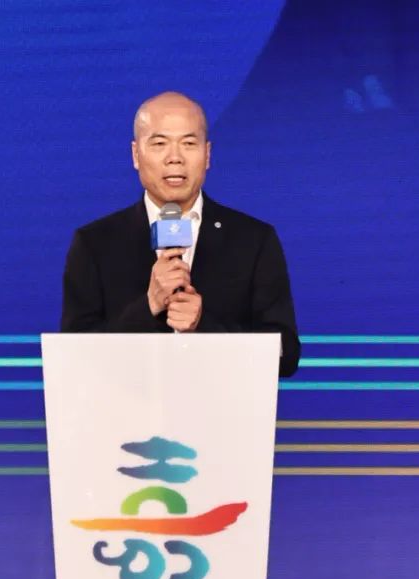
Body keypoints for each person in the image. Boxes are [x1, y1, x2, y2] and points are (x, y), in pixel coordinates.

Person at [60, 91, 300, 377]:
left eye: (188, 143)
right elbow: (74, 359)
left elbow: (286, 356)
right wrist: (148, 307)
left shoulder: (254, 240)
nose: (175, 158)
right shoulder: (94, 244)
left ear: (207, 154)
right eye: (159, 143)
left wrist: (204, 327)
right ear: (136, 154)